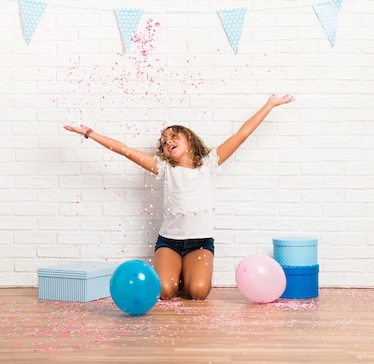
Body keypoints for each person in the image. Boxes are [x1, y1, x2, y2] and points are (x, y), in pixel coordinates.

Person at [64, 94, 295, 300]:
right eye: (164, 142)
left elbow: (242, 134)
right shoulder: (164, 169)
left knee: (198, 292)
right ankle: (177, 271)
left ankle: (188, 273)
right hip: (169, 243)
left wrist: (270, 104)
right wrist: (89, 133)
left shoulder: (209, 165)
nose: (168, 142)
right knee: (164, 291)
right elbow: (125, 150)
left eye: (173, 136)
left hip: (201, 243)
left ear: (189, 139)